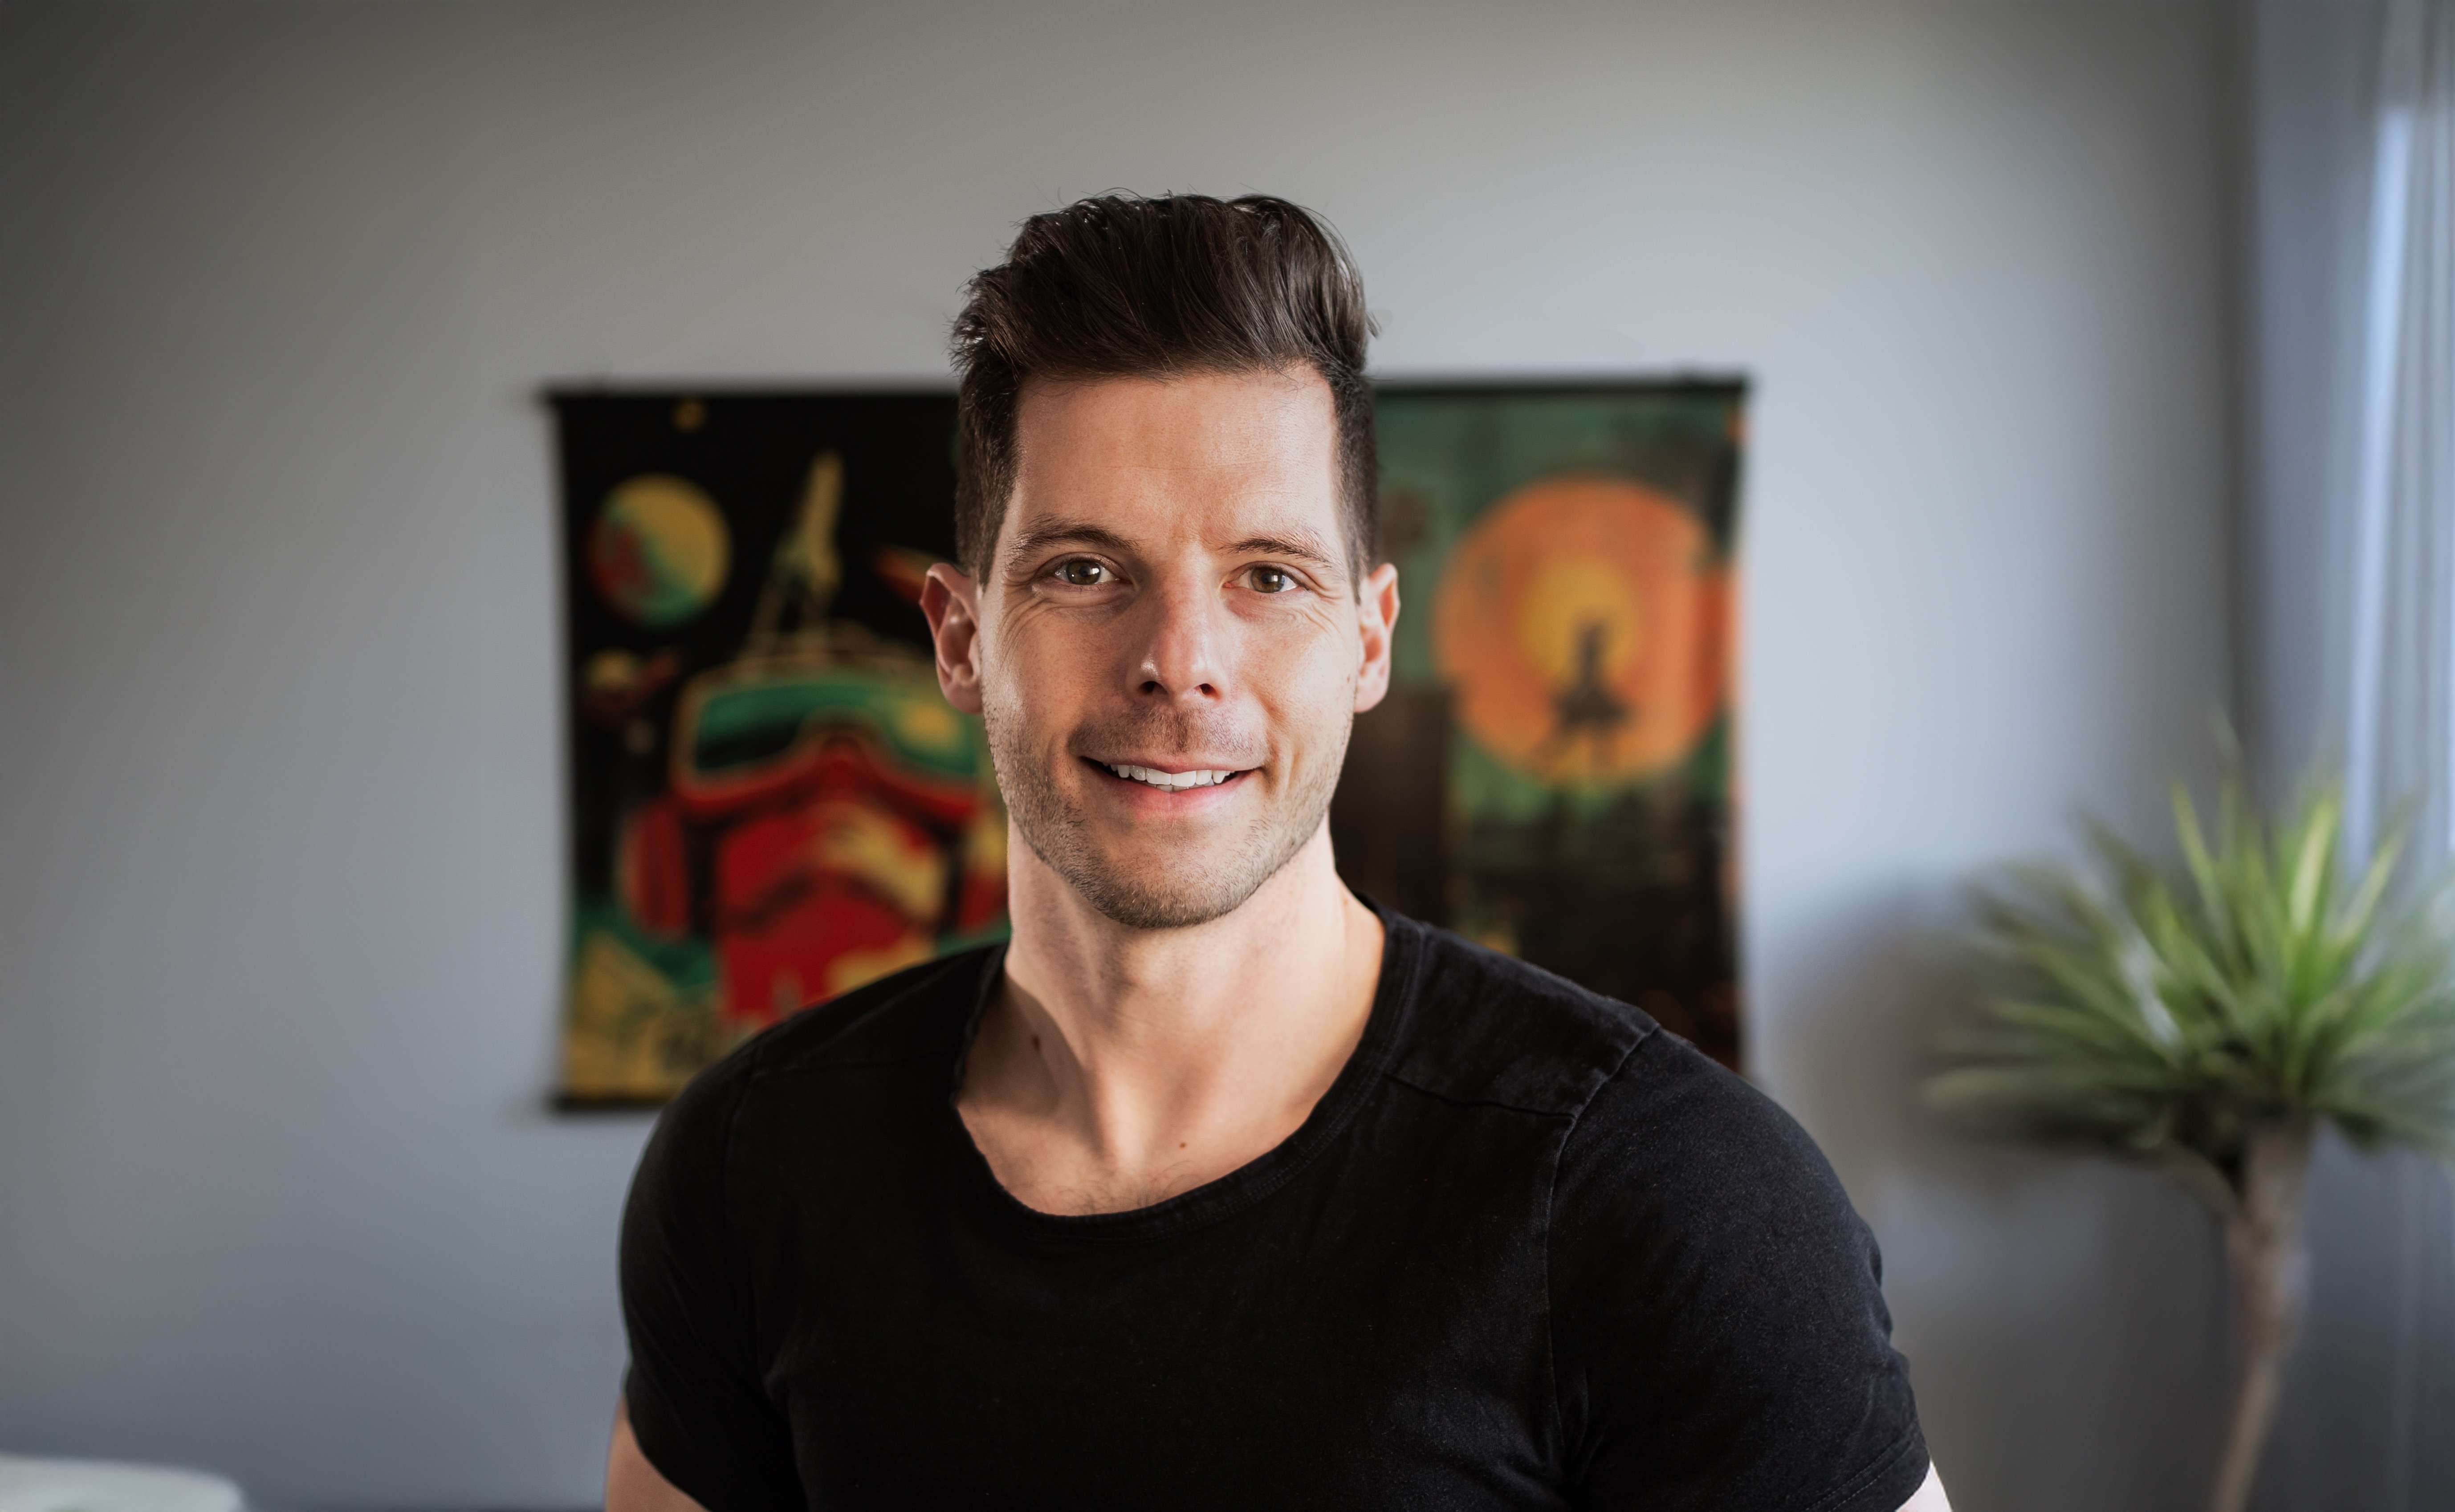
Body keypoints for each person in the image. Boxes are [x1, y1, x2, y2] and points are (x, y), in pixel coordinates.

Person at [607, 192, 1950, 1512]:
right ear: (960, 640)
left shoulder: (1667, 1193)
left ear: (1368, 639)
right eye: (1084, 570)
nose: (1178, 663)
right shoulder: (753, 1160)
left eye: (1269, 575)